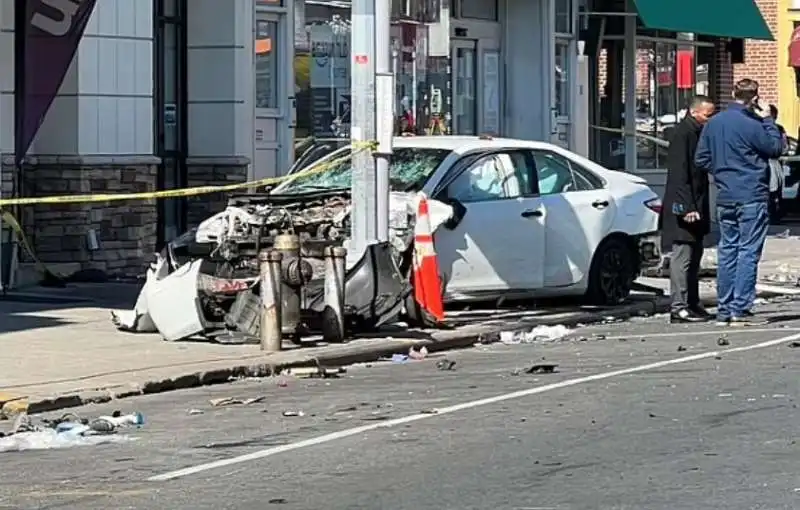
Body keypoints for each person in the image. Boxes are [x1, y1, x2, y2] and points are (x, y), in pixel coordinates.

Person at [694, 79, 784, 326]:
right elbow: (776, 148)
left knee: (727, 250)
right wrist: (768, 119)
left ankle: (724, 309)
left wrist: (722, 171)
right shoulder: (753, 124)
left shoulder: (714, 124)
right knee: (747, 251)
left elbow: (701, 158)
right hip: (751, 193)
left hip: (726, 195)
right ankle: (739, 308)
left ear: (734, 94)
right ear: (754, 97)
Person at [661, 95, 716, 323]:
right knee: (682, 256)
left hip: (698, 203)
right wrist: (686, 207)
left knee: (695, 257)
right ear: (695, 112)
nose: (710, 119)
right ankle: (678, 306)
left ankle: (692, 303)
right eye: (707, 115)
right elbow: (679, 173)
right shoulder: (682, 134)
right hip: (685, 206)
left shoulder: (698, 133)